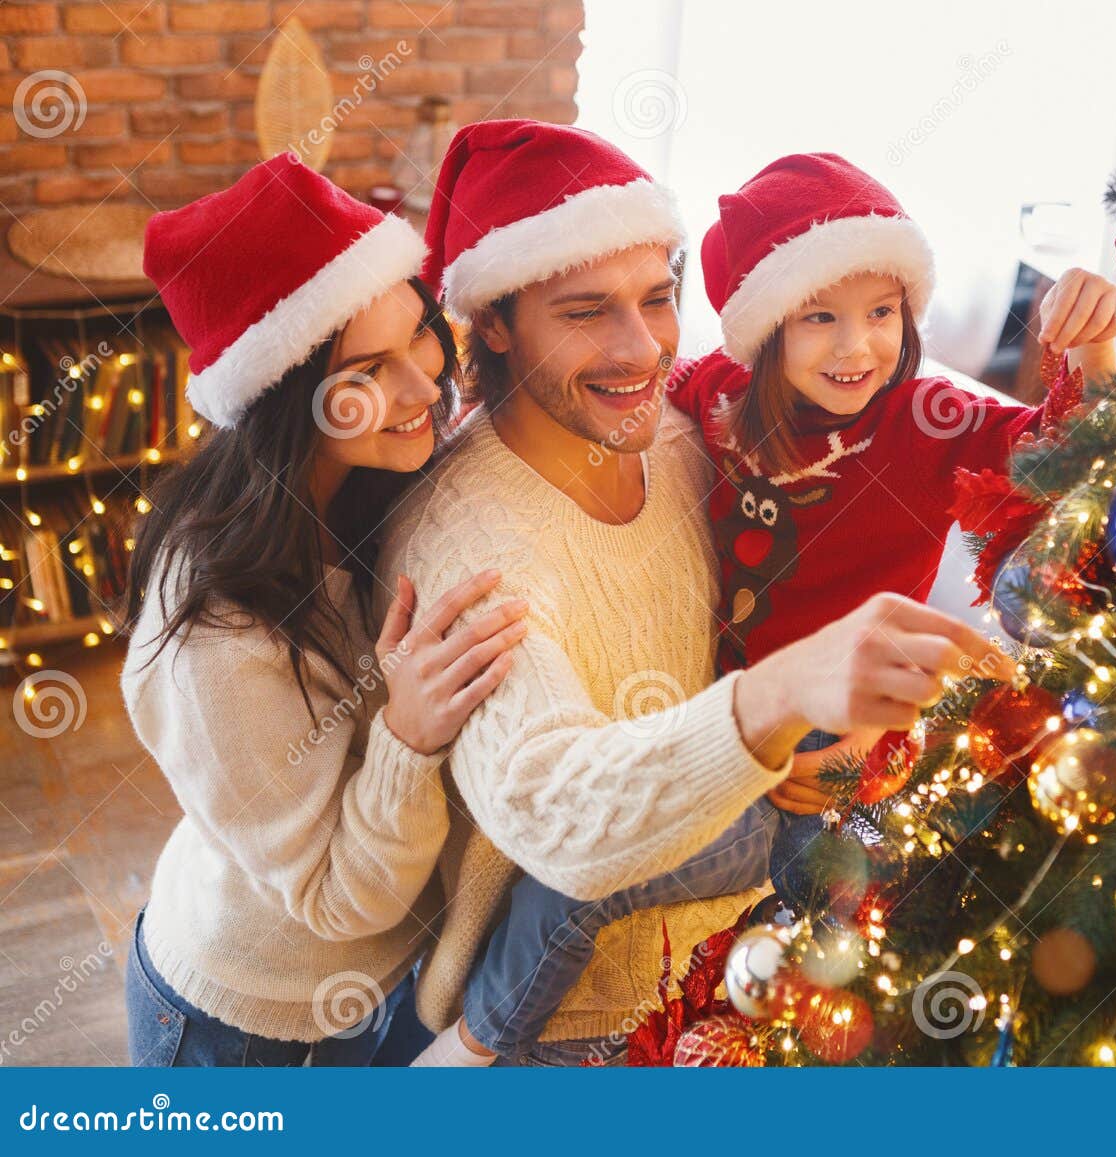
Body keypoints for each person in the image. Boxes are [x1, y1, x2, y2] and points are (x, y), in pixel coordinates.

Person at [379, 120, 1013, 1066]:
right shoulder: (471, 542)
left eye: (658, 298)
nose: (641, 348)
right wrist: (778, 703)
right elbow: (565, 823)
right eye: (588, 309)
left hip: (727, 963)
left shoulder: (676, 426)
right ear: (496, 323)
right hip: (579, 1030)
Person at [121, 154, 524, 1066]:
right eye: (371, 369)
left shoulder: (367, 485)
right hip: (245, 1030)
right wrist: (409, 735)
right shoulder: (213, 628)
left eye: (420, 333)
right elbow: (338, 895)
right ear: (280, 398)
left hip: (380, 989)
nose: (426, 385)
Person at [668, 152, 1116, 909]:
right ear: (763, 327)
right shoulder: (721, 391)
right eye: (821, 317)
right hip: (727, 719)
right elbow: (651, 394)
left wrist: (1094, 343)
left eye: (882, 312)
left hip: (853, 736)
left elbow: (1073, 457)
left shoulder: (926, 421)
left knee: (833, 912)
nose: (858, 348)